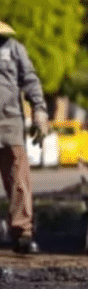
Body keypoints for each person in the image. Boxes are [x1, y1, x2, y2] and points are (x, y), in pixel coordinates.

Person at [0, 21, 50, 254]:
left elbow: (30, 80)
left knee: (19, 180)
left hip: (10, 123)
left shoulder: (13, 48)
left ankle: (22, 233)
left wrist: (39, 111)